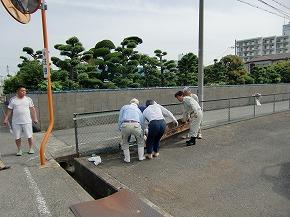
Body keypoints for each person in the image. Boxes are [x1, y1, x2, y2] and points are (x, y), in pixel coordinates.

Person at [3, 85, 38, 156]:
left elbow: (32, 109)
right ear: (18, 91)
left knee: (29, 136)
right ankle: (19, 150)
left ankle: (31, 148)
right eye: (22, 90)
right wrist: (6, 119)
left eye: (25, 91)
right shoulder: (13, 100)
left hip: (27, 121)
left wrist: (35, 118)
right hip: (16, 122)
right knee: (17, 137)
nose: (24, 92)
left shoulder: (28, 99)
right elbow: (9, 110)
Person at [118, 98, 145, 163]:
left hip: (125, 125)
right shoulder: (138, 110)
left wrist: (120, 128)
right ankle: (141, 157)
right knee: (140, 142)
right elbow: (141, 121)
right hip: (136, 125)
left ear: (130, 102)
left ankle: (127, 159)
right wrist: (142, 131)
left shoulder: (124, 107)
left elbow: (120, 118)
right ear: (137, 104)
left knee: (125, 143)